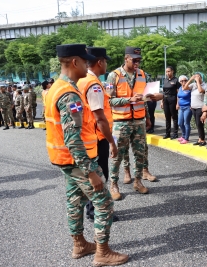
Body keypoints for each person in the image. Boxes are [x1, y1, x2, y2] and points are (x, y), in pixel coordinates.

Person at [44, 44, 128, 266]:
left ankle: (79, 244)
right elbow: (73, 139)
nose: (88, 64)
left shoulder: (56, 87)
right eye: (85, 61)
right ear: (74, 62)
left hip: (64, 160)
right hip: (79, 160)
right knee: (104, 203)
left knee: (75, 200)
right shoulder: (69, 94)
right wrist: (91, 172)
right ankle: (103, 253)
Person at [77, 47, 119, 222]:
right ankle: (96, 211)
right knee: (100, 176)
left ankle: (91, 208)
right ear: (100, 62)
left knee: (91, 175)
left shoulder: (81, 80)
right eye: (106, 61)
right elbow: (100, 118)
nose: (106, 65)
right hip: (97, 137)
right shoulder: (93, 84)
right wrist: (111, 142)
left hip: (86, 136)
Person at [106, 46, 152, 200]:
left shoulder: (142, 74)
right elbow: (109, 100)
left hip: (139, 121)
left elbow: (145, 97)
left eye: (139, 59)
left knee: (140, 154)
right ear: (126, 58)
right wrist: (128, 100)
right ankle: (113, 184)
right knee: (117, 155)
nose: (137, 62)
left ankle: (138, 181)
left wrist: (148, 116)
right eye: (134, 60)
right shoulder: (114, 75)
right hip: (121, 122)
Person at [184, 72, 206, 146]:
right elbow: (184, 88)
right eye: (195, 76)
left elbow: (200, 91)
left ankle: (202, 139)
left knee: (199, 124)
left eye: (198, 76)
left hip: (200, 107)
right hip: (193, 107)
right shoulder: (193, 85)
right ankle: (200, 139)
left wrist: (198, 82)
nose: (196, 78)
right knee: (197, 124)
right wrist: (190, 79)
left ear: (201, 77)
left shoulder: (204, 85)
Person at [161, 66, 181, 139]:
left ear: (172, 71)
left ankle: (175, 133)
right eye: (166, 72)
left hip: (173, 99)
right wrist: (162, 102)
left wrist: (177, 103)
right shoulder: (165, 80)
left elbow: (179, 93)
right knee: (167, 117)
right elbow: (163, 92)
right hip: (165, 99)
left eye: (169, 71)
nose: (167, 73)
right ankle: (167, 133)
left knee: (174, 117)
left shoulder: (176, 80)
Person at [176, 75, 192, 144]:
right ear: (180, 82)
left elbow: (193, 96)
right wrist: (177, 104)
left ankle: (186, 138)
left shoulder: (189, 88)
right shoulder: (179, 88)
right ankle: (183, 135)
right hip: (181, 108)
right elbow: (178, 97)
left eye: (185, 80)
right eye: (182, 81)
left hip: (187, 107)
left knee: (186, 123)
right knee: (180, 123)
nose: (184, 82)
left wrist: (192, 105)